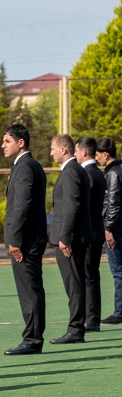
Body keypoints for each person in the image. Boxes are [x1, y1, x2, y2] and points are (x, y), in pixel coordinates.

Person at [3, 124, 48, 355]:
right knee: (31, 289)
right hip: (29, 239)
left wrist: (15, 240)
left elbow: (21, 206)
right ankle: (33, 337)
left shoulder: (25, 167)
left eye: (7, 141)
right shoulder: (28, 166)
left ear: (21, 142)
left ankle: (32, 340)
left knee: (29, 290)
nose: (3, 145)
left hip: (26, 241)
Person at [49, 134, 93, 344]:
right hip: (72, 237)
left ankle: (75, 329)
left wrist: (65, 238)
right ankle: (76, 327)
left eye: (53, 149)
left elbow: (71, 206)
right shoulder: (76, 170)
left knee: (74, 284)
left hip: (70, 239)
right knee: (75, 283)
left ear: (63, 150)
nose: (51, 153)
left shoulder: (71, 172)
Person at [97, 138, 122, 324]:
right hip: (118, 224)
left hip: (114, 226)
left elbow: (113, 203)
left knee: (118, 270)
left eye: (98, 154)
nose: (97, 158)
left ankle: (119, 313)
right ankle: (120, 312)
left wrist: (108, 228)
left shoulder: (112, 174)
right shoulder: (119, 171)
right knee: (119, 270)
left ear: (105, 154)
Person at [75, 136, 107, 332]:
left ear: (83, 152)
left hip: (89, 233)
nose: (76, 154)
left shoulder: (88, 174)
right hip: (95, 231)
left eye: (77, 151)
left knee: (88, 276)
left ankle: (91, 318)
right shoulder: (97, 173)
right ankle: (92, 317)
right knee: (91, 276)